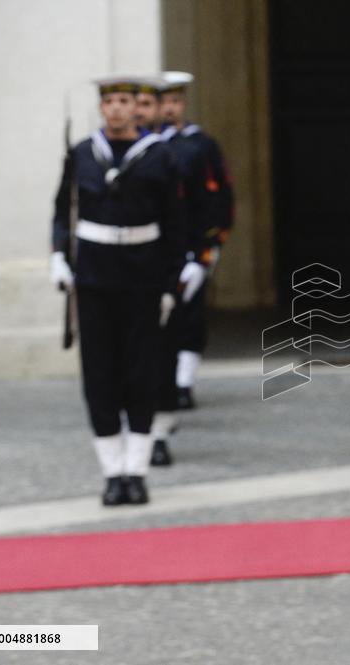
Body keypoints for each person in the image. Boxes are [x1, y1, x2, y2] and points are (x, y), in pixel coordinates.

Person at [50, 75, 187, 505]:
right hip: (94, 276)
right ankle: (112, 471)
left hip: (142, 276)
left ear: (137, 107)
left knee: (141, 372)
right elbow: (61, 211)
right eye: (109, 101)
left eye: (125, 101)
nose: (116, 109)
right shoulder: (83, 154)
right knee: (100, 374)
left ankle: (137, 468)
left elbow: (175, 225)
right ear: (102, 108)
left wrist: (170, 283)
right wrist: (58, 256)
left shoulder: (159, 156)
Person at [159, 70, 235, 411]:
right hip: (154, 248)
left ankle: (183, 383)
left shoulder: (201, 146)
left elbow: (220, 199)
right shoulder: (146, 145)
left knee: (190, 317)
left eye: (175, 101)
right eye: (164, 102)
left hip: (192, 247)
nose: (169, 108)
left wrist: (207, 250)